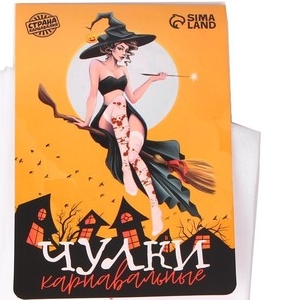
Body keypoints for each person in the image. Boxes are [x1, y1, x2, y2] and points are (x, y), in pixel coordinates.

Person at [74, 13, 202, 236]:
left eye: (126, 49)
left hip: (127, 113)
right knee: (117, 101)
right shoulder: (96, 65)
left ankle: (154, 208)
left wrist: (152, 80)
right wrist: (85, 121)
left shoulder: (123, 70)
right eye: (120, 48)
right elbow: (92, 95)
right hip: (107, 118)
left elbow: (132, 97)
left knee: (135, 155)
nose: (123, 52)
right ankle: (125, 167)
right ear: (110, 48)